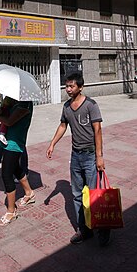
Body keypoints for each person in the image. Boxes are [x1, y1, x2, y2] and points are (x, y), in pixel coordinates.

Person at [46, 72, 110, 247]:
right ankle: (84, 230)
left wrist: (99, 156)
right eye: (66, 86)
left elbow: (98, 130)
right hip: (76, 156)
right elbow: (62, 125)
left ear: (80, 87)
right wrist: (52, 143)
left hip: (90, 156)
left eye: (71, 86)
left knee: (94, 194)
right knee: (76, 195)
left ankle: (103, 229)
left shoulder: (91, 105)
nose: (68, 89)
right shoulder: (66, 107)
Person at [0, 96, 35, 226]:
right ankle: (29, 193)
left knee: (6, 174)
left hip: (15, 143)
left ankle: (11, 211)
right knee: (15, 168)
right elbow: (3, 113)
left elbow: (9, 121)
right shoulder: (15, 103)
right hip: (9, 141)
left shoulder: (25, 105)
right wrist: (4, 107)